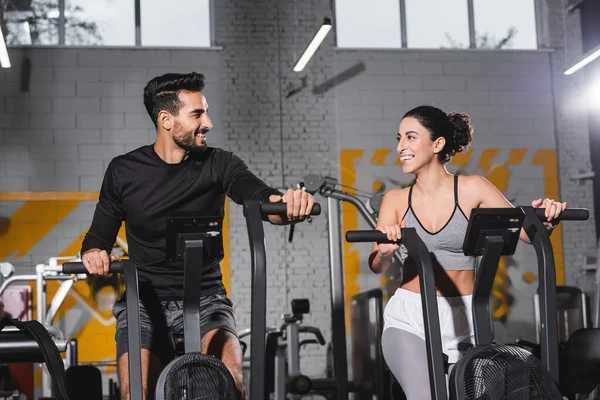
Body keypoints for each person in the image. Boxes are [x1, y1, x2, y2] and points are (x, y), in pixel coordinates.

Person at [79, 72, 315, 400]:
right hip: (144, 302)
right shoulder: (124, 171)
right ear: (166, 119)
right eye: (197, 114)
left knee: (229, 382)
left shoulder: (219, 164)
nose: (209, 123)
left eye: (206, 112)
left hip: (206, 299)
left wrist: (285, 205)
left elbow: (258, 196)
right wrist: (93, 253)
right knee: (137, 391)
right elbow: (97, 238)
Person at [369, 105, 566, 400]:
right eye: (399, 138)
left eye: (410, 137)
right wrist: (384, 251)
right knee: (425, 396)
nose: (400, 147)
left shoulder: (474, 188)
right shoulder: (395, 200)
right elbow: (377, 265)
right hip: (411, 316)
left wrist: (546, 217)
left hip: (467, 315)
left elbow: (526, 232)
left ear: (438, 144)